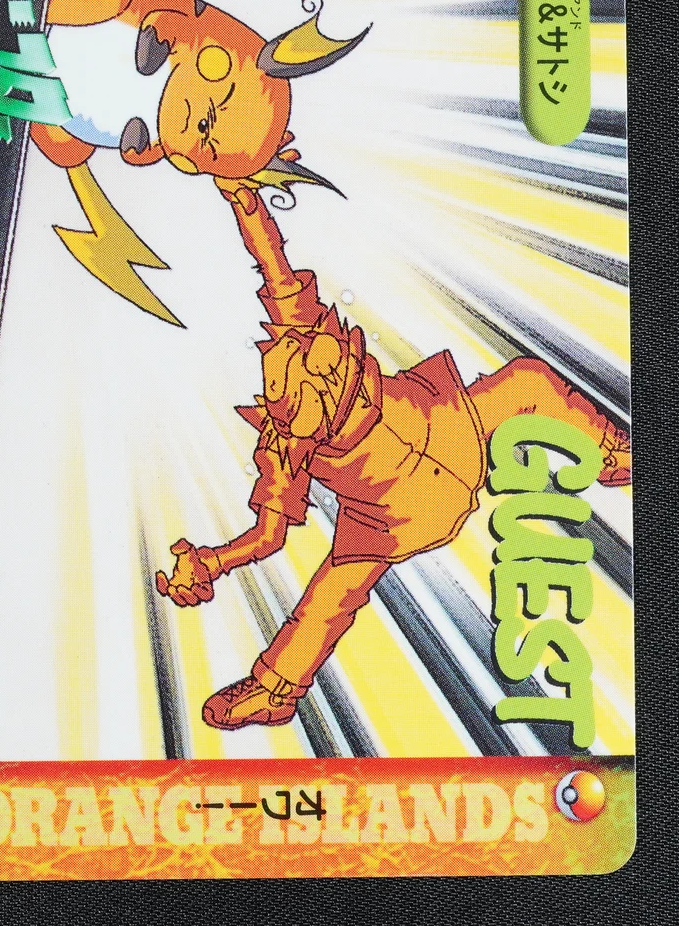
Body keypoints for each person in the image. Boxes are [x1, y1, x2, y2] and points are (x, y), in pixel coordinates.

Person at [155, 181, 631, 730]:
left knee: (527, 383)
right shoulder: (285, 441)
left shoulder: (301, 336)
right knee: (330, 595)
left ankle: (613, 453)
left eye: (310, 353)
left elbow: (272, 262)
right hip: (389, 520)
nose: (320, 365)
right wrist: (211, 563)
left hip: (453, 430)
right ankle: (274, 691)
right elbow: (268, 536)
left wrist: (245, 200)